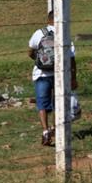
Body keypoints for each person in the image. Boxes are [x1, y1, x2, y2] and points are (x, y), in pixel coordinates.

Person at [28, 11, 77, 146]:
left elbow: (30, 51)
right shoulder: (64, 34)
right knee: (58, 103)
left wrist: (40, 60)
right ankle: (55, 129)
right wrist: (73, 77)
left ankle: (45, 131)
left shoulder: (39, 33)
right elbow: (72, 58)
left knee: (42, 105)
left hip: (41, 74)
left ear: (48, 20)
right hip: (59, 74)